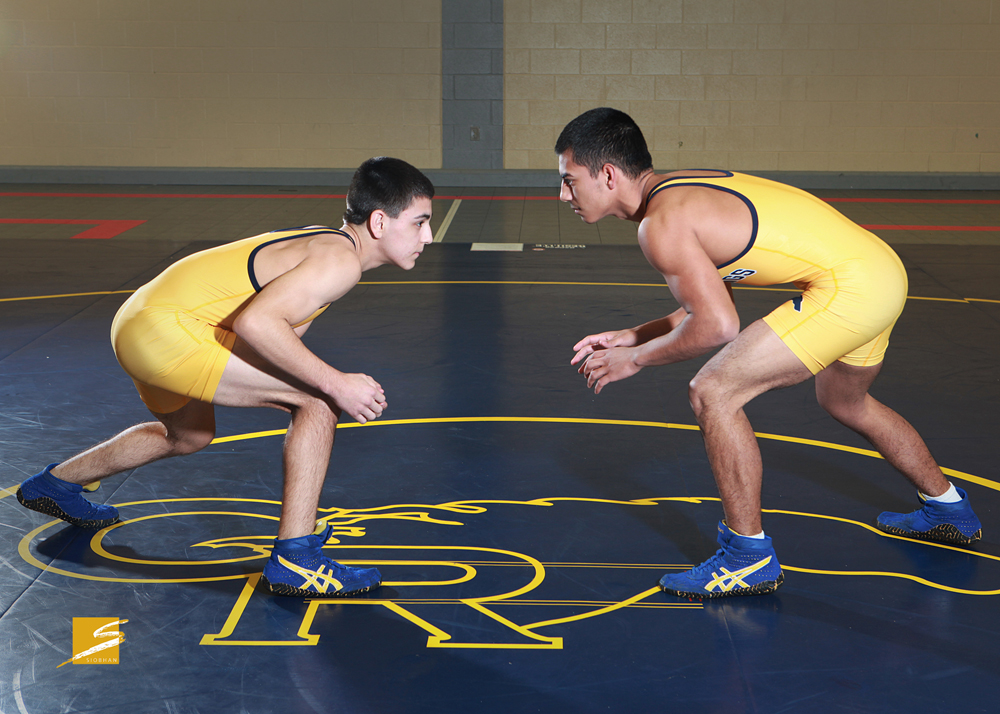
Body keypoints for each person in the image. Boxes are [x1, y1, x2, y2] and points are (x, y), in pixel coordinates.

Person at [557, 107, 982, 599]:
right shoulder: (679, 192)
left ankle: (747, 557)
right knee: (847, 402)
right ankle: (949, 509)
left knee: (713, 392)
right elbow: (711, 305)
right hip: (880, 269)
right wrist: (634, 336)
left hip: (850, 289)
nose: (562, 195)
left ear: (608, 174)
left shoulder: (661, 225)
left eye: (570, 181)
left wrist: (636, 360)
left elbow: (718, 326)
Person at [16, 156, 435, 598]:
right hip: (165, 330)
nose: (428, 236)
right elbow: (257, 326)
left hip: (141, 322)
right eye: (420, 222)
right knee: (318, 401)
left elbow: (269, 342)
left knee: (190, 434)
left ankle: (57, 484)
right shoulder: (339, 263)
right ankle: (297, 559)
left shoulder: (326, 247)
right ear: (378, 222)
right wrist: (336, 383)